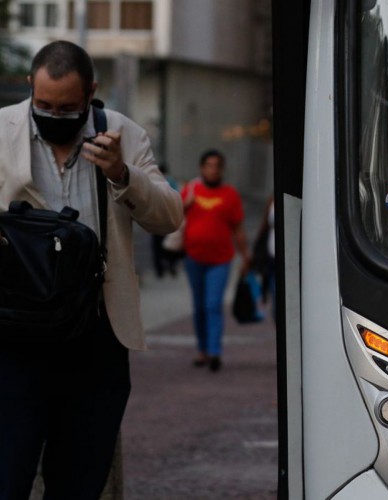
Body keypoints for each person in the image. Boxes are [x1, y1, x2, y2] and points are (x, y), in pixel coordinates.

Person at [0, 41, 182, 499]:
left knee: (80, 480)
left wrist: (123, 174)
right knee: (7, 474)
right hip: (13, 335)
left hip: (96, 335)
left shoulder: (124, 133)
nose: (53, 114)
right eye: (43, 104)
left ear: (91, 93)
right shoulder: (2, 132)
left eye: (66, 107)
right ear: (30, 87)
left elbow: (169, 217)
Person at [183, 149, 251, 372]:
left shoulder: (230, 195)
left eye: (217, 166)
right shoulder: (190, 190)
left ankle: (214, 352)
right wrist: (186, 203)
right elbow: (171, 216)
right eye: (209, 165)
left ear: (222, 169)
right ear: (202, 168)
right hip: (193, 257)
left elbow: (238, 228)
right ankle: (202, 350)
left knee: (213, 304)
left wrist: (246, 255)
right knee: (199, 306)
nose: (213, 169)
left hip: (220, 260)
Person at [151, 163, 182, 277]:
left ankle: (160, 269)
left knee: (157, 246)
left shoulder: (153, 181)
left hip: (156, 218)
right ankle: (171, 266)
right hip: (168, 217)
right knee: (168, 245)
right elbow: (176, 196)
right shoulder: (170, 181)